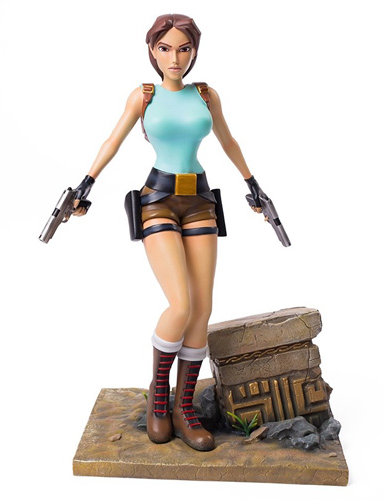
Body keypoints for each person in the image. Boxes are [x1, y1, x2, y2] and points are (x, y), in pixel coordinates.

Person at [72, 14, 266, 452]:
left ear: (194, 51)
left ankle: (184, 408)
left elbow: (229, 141)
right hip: (158, 198)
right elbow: (112, 141)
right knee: (180, 303)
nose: (174, 58)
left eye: (183, 48)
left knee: (201, 307)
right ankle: (158, 400)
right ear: (152, 50)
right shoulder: (144, 95)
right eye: (165, 48)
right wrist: (86, 184)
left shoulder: (205, 94)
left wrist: (252, 183)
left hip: (200, 199)